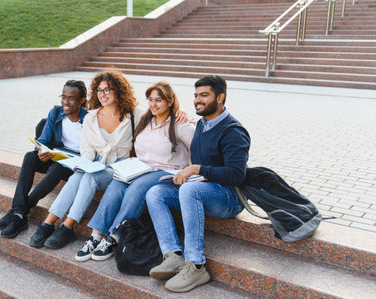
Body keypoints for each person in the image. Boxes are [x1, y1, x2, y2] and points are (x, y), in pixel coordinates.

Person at [146, 75, 251, 293]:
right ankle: (173, 255)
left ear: (220, 97)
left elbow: (236, 175)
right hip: (203, 187)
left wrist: (196, 170)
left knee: (190, 189)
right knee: (155, 193)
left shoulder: (233, 131)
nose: (197, 100)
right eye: (195, 95)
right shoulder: (202, 123)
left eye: (204, 95)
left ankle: (196, 265)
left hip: (229, 197)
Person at [75, 81, 195, 262]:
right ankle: (96, 235)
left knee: (136, 189)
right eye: (150, 100)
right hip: (141, 168)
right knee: (116, 183)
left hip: (166, 171)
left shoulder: (179, 124)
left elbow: (197, 147)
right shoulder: (146, 120)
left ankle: (115, 236)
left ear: (170, 102)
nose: (153, 104)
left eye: (159, 100)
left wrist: (190, 173)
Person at [28, 70, 143, 249]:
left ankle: (67, 226)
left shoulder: (134, 114)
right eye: (99, 90)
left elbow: (161, 115)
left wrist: (181, 114)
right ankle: (48, 223)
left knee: (89, 177)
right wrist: (81, 165)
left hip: (122, 168)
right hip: (97, 163)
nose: (102, 95)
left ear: (118, 90)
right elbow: (87, 152)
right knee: (79, 176)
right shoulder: (91, 117)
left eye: (107, 90)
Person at [0, 80, 88, 239]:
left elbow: (92, 151)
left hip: (75, 165)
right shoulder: (56, 112)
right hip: (58, 155)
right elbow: (44, 140)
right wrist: (40, 151)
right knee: (30, 158)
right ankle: (18, 212)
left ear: (82, 101)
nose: (65, 102)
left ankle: (20, 212)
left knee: (57, 168)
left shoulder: (89, 119)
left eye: (71, 98)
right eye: (63, 97)